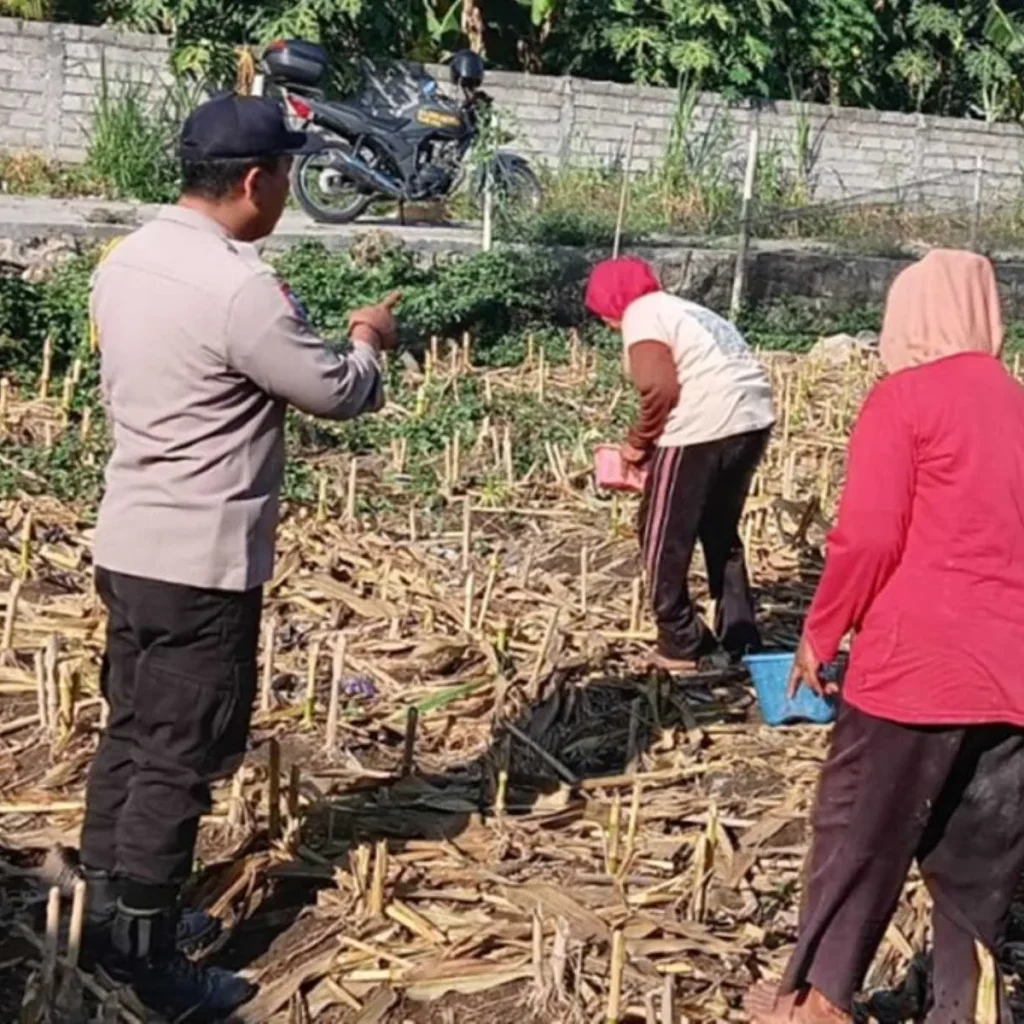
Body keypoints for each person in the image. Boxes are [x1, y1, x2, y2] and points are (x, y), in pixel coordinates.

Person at [73, 93, 399, 1019]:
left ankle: (105, 909)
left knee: (132, 730)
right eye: (289, 177)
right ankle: (145, 951)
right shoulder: (237, 286)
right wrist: (369, 340)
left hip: (131, 539)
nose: (289, 193)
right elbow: (332, 389)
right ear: (256, 181)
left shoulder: (126, 258)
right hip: (199, 560)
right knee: (180, 751)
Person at [747, 249, 1024, 1024]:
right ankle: (964, 1010)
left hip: (915, 669)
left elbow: (867, 539)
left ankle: (817, 999)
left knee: (857, 834)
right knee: (977, 864)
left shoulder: (905, 398)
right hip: (1013, 683)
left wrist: (820, 633)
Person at [585, 257, 775, 669]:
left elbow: (660, 388)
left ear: (612, 305)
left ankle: (681, 639)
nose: (610, 327)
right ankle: (740, 634)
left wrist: (638, 444)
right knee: (719, 530)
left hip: (702, 424)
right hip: (753, 419)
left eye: (605, 318)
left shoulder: (642, 313)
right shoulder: (687, 309)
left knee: (660, 532)